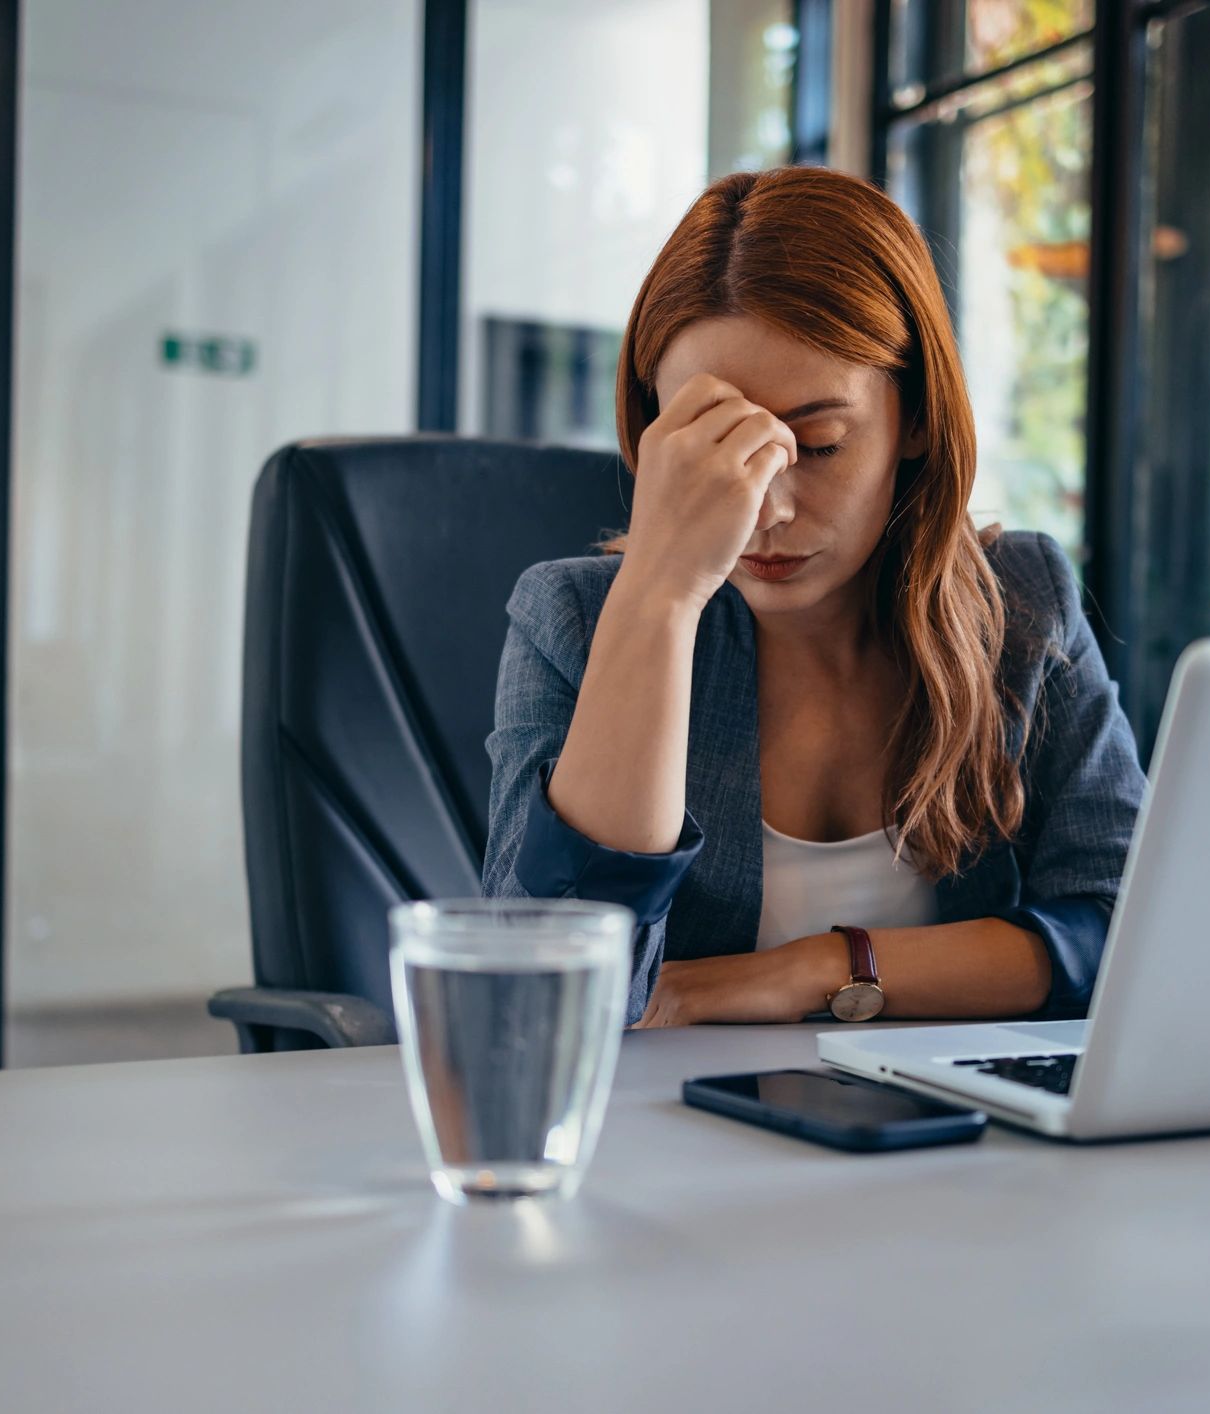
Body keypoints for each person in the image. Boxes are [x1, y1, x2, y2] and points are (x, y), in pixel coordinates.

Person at [482, 166, 1144, 1029]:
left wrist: (820, 969)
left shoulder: (1023, 602)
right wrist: (661, 598)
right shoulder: (574, 618)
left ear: (915, 421)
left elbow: (1124, 929)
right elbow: (536, 993)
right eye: (717, 444)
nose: (767, 508)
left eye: (820, 444)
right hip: (659, 1147)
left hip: (952, 1143)